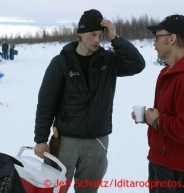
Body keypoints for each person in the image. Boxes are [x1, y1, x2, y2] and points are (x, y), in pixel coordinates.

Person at [34, 9, 145, 193]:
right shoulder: (60, 63)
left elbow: (137, 64)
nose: (96, 40)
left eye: (100, 35)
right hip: (65, 142)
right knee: (53, 190)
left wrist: (116, 39)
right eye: (92, 34)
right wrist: (40, 139)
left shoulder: (109, 61)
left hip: (97, 142)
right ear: (79, 33)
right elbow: (46, 103)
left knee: (88, 191)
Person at [132, 15, 184, 193]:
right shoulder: (167, 72)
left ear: (172, 38)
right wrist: (149, 118)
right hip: (160, 162)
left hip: (178, 170)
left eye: (157, 37)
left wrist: (158, 122)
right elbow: (168, 114)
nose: (154, 43)